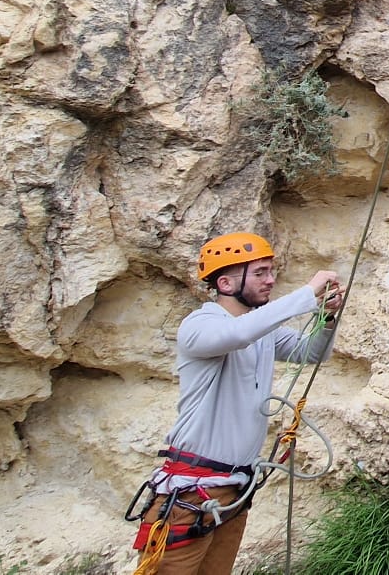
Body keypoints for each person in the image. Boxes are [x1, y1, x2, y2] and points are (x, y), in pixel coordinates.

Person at [130, 232, 346, 575]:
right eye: (260, 272)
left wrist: (327, 317)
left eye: (270, 271)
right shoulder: (200, 325)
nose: (270, 280)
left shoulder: (262, 333)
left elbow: (312, 352)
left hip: (233, 490)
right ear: (226, 282)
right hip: (192, 492)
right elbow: (236, 335)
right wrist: (307, 294)